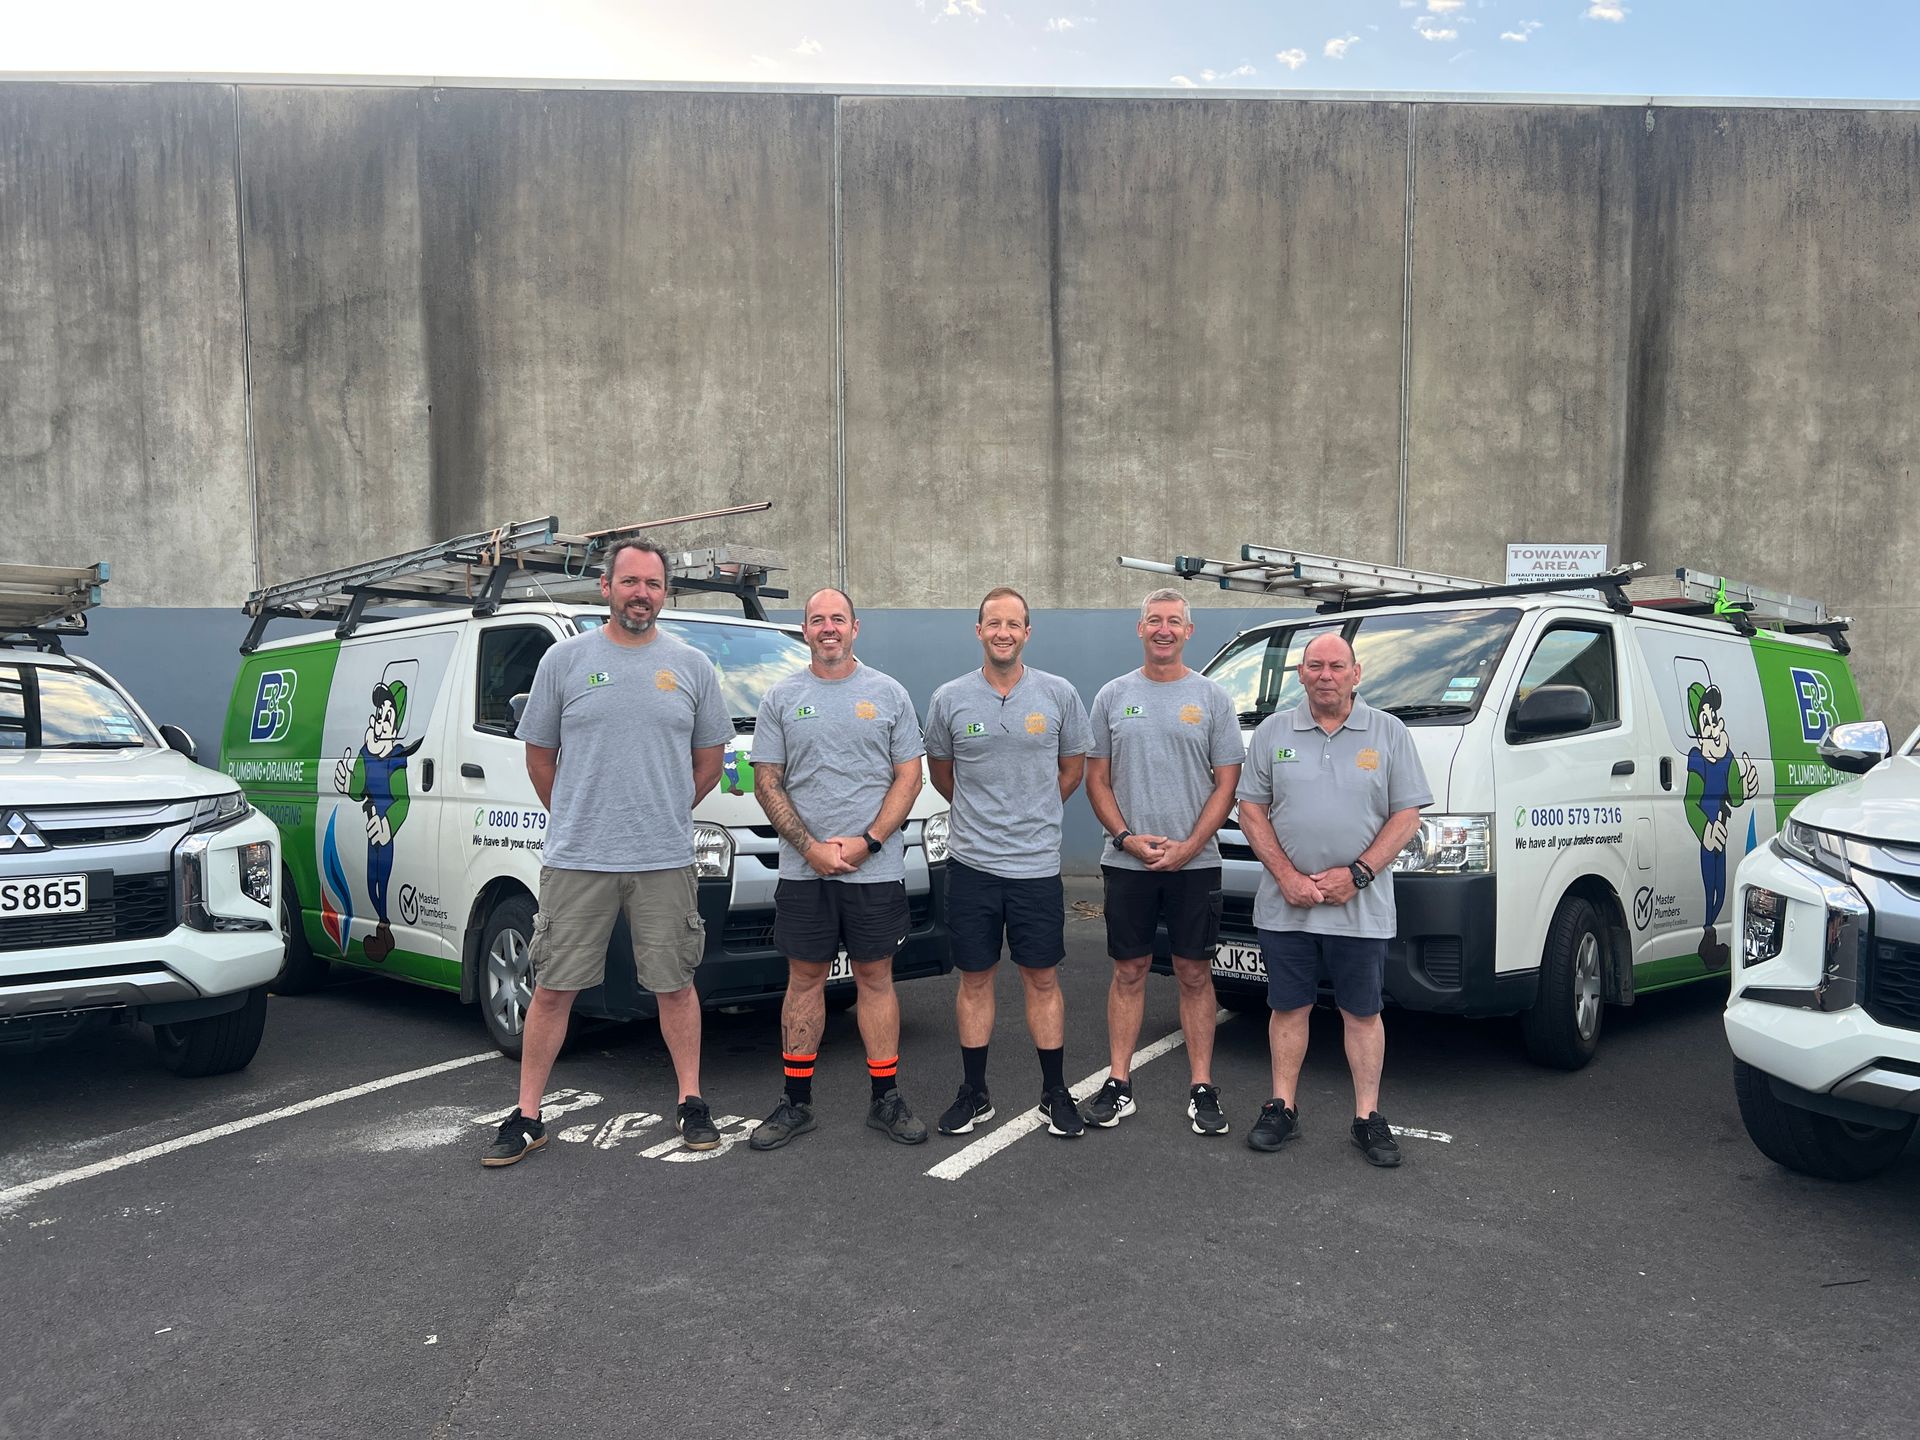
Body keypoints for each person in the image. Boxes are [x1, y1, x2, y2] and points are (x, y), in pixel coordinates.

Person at [482, 539, 732, 1167]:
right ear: (606, 587)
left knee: (676, 985)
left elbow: (709, 762)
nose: (641, 594)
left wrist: (667, 807)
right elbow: (539, 756)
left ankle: (691, 1101)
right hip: (578, 858)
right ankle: (528, 1115)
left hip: (663, 858)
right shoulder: (564, 661)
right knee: (553, 987)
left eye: (653, 583)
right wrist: (574, 813)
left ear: (664, 593)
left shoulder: (692, 666)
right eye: (630, 581)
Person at [1235, 631, 1431, 1167]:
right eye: (1315, 666)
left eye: (1336, 666)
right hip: (1286, 906)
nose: (1326, 675)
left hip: (1360, 907)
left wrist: (1359, 874)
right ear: (1301, 674)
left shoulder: (1388, 732)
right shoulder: (1273, 732)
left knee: (1362, 1012)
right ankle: (1282, 1107)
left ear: (1356, 674)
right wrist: (1286, 876)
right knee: (1287, 1007)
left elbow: (1407, 815)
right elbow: (1250, 810)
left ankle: (1368, 1117)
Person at [747, 587, 931, 1150]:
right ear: (804, 630)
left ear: (855, 627)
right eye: (817, 619)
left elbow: (910, 776)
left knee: (875, 979)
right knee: (804, 981)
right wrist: (810, 848)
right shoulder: (781, 697)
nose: (828, 628)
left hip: (874, 871)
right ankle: (796, 1103)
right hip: (806, 873)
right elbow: (767, 781)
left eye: (838, 619)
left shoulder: (889, 693)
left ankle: (886, 1099)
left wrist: (869, 842)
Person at [925, 587, 1092, 1140]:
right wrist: (984, 817)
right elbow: (942, 774)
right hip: (972, 865)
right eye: (993, 623)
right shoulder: (950, 698)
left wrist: (1033, 812)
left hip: (1036, 867)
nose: (1003, 633)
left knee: (1042, 979)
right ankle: (975, 1093)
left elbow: (1072, 769)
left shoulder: (1059, 693)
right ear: (979, 631)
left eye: (1013, 624)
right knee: (975, 980)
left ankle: (1054, 1092)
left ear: (1027, 632)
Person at [1083, 588, 1243, 1136]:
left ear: (1188, 631)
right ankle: (1119, 1082)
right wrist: (1126, 838)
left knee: (1194, 973)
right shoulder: (1112, 696)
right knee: (1128, 971)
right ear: (1140, 628)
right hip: (1128, 862)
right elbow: (1096, 779)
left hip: (1195, 865)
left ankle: (1202, 1086)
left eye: (1174, 621)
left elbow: (1227, 784)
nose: (1164, 629)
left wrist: (1191, 845)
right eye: (1154, 620)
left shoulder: (1213, 698)